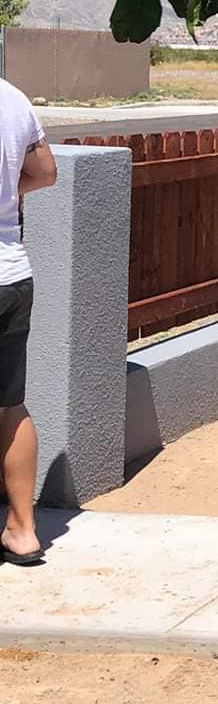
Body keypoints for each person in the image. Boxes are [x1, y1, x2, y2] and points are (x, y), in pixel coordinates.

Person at [0, 75, 56, 567]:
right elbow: (45, 172)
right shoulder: (14, 98)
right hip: (11, 276)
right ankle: (23, 530)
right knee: (11, 405)